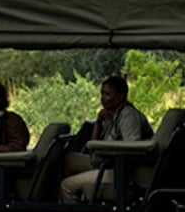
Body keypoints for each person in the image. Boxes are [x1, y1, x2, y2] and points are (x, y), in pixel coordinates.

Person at [60, 75, 152, 203]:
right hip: (104, 162)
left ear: (120, 96)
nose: (102, 99)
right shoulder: (113, 115)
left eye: (107, 94)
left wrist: (106, 150)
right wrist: (98, 123)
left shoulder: (128, 115)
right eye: (102, 94)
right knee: (65, 160)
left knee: (67, 186)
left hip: (120, 171)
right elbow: (93, 147)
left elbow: (133, 148)